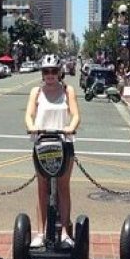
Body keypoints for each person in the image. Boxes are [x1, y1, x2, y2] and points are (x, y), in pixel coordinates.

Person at [25, 54, 81, 247]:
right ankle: (40, 233)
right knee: (42, 188)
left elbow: (75, 115)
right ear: (42, 73)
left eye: (54, 71)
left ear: (60, 73)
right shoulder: (36, 92)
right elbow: (29, 114)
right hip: (42, 144)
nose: (50, 75)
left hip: (63, 143)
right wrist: (31, 126)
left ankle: (65, 231)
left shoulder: (68, 90)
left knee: (63, 187)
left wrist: (71, 127)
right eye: (46, 71)